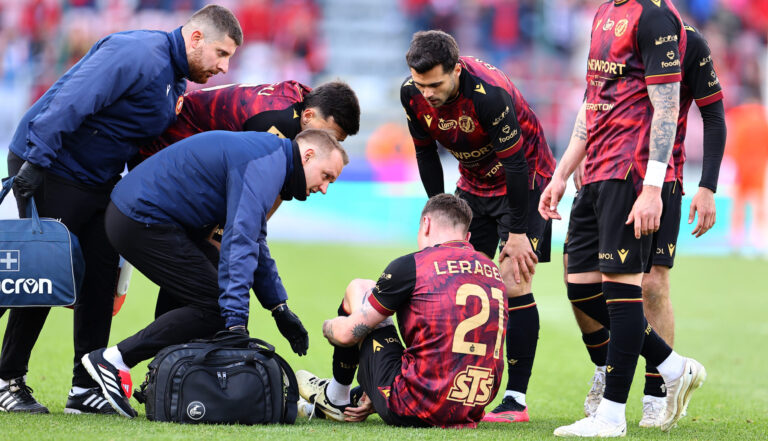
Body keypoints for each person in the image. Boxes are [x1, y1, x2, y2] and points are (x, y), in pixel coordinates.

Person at [0, 4, 241, 415]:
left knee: (100, 277)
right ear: (196, 38)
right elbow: (71, 101)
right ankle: (7, 380)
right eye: (222, 54)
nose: (224, 66)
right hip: (53, 167)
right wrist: (35, 163)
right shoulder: (138, 54)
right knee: (43, 271)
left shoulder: (174, 79)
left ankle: (85, 385)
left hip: (98, 180)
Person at [81, 128, 347, 418]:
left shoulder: (271, 158)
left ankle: (163, 381)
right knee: (214, 305)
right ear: (307, 156)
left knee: (210, 292)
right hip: (140, 218)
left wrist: (278, 307)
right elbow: (239, 242)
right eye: (326, 176)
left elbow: (255, 239)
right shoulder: (267, 164)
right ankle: (114, 361)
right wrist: (235, 322)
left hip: (144, 217)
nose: (324, 188)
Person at [539, 0, 705, 436]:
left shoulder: (655, 15)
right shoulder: (602, 14)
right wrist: (561, 173)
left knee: (624, 290)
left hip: (629, 172)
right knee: (581, 288)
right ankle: (672, 365)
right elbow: (591, 103)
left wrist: (653, 187)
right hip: (593, 172)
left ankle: (611, 416)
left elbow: (667, 106)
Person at [568, 23, 726, 428]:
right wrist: (575, 158)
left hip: (660, 180)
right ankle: (633, 368)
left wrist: (707, 186)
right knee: (584, 286)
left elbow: (713, 114)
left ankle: (656, 392)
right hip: (606, 173)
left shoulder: (687, 41)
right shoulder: (610, 24)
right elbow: (593, 102)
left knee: (652, 284)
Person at [400, 30, 556, 423]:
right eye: (421, 85)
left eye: (436, 84)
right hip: (473, 184)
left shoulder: (489, 95)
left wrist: (519, 233)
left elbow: (517, 165)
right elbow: (426, 154)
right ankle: (457, 385)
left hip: (527, 181)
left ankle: (515, 401)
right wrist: (439, 213)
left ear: (456, 69)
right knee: (447, 276)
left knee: (514, 280)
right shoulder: (411, 94)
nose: (428, 93)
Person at [132, 80, 360, 318]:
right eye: (330, 136)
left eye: (337, 142)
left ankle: (175, 342)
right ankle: (170, 343)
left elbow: (271, 194)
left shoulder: (303, 109)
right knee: (206, 261)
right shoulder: (276, 123)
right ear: (309, 115)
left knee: (210, 261)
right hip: (165, 150)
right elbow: (256, 192)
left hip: (187, 160)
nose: (330, 145)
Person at [297, 194, 507, 428]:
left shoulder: (414, 264)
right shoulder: (494, 271)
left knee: (360, 288)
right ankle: (364, 393)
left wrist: (329, 326)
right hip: (471, 407)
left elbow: (347, 335)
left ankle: (336, 396)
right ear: (467, 237)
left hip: (412, 407)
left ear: (426, 224)